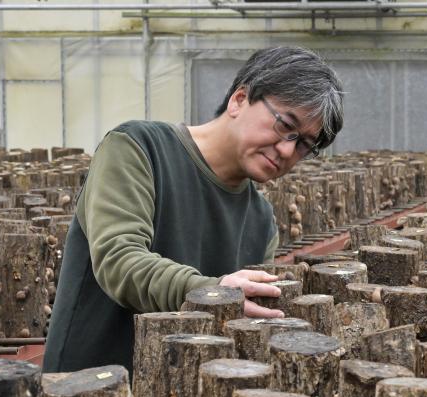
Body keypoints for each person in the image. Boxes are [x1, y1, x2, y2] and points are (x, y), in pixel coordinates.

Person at [43, 46, 344, 373]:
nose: (288, 149)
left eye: (303, 145)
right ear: (239, 100)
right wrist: (211, 292)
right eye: (285, 125)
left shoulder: (260, 220)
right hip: (88, 389)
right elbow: (119, 260)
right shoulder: (139, 148)